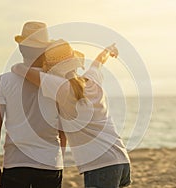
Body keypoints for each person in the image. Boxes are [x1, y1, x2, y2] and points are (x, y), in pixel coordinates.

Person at [12, 39, 131, 188]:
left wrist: (16, 65)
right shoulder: (92, 79)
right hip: (121, 159)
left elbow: (21, 70)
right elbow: (99, 60)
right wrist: (109, 50)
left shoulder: (61, 88)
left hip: (100, 166)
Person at [0, 22, 65, 188]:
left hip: (16, 163)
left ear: (21, 49)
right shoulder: (57, 82)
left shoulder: (4, 81)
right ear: (45, 51)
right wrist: (59, 157)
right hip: (50, 163)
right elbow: (63, 128)